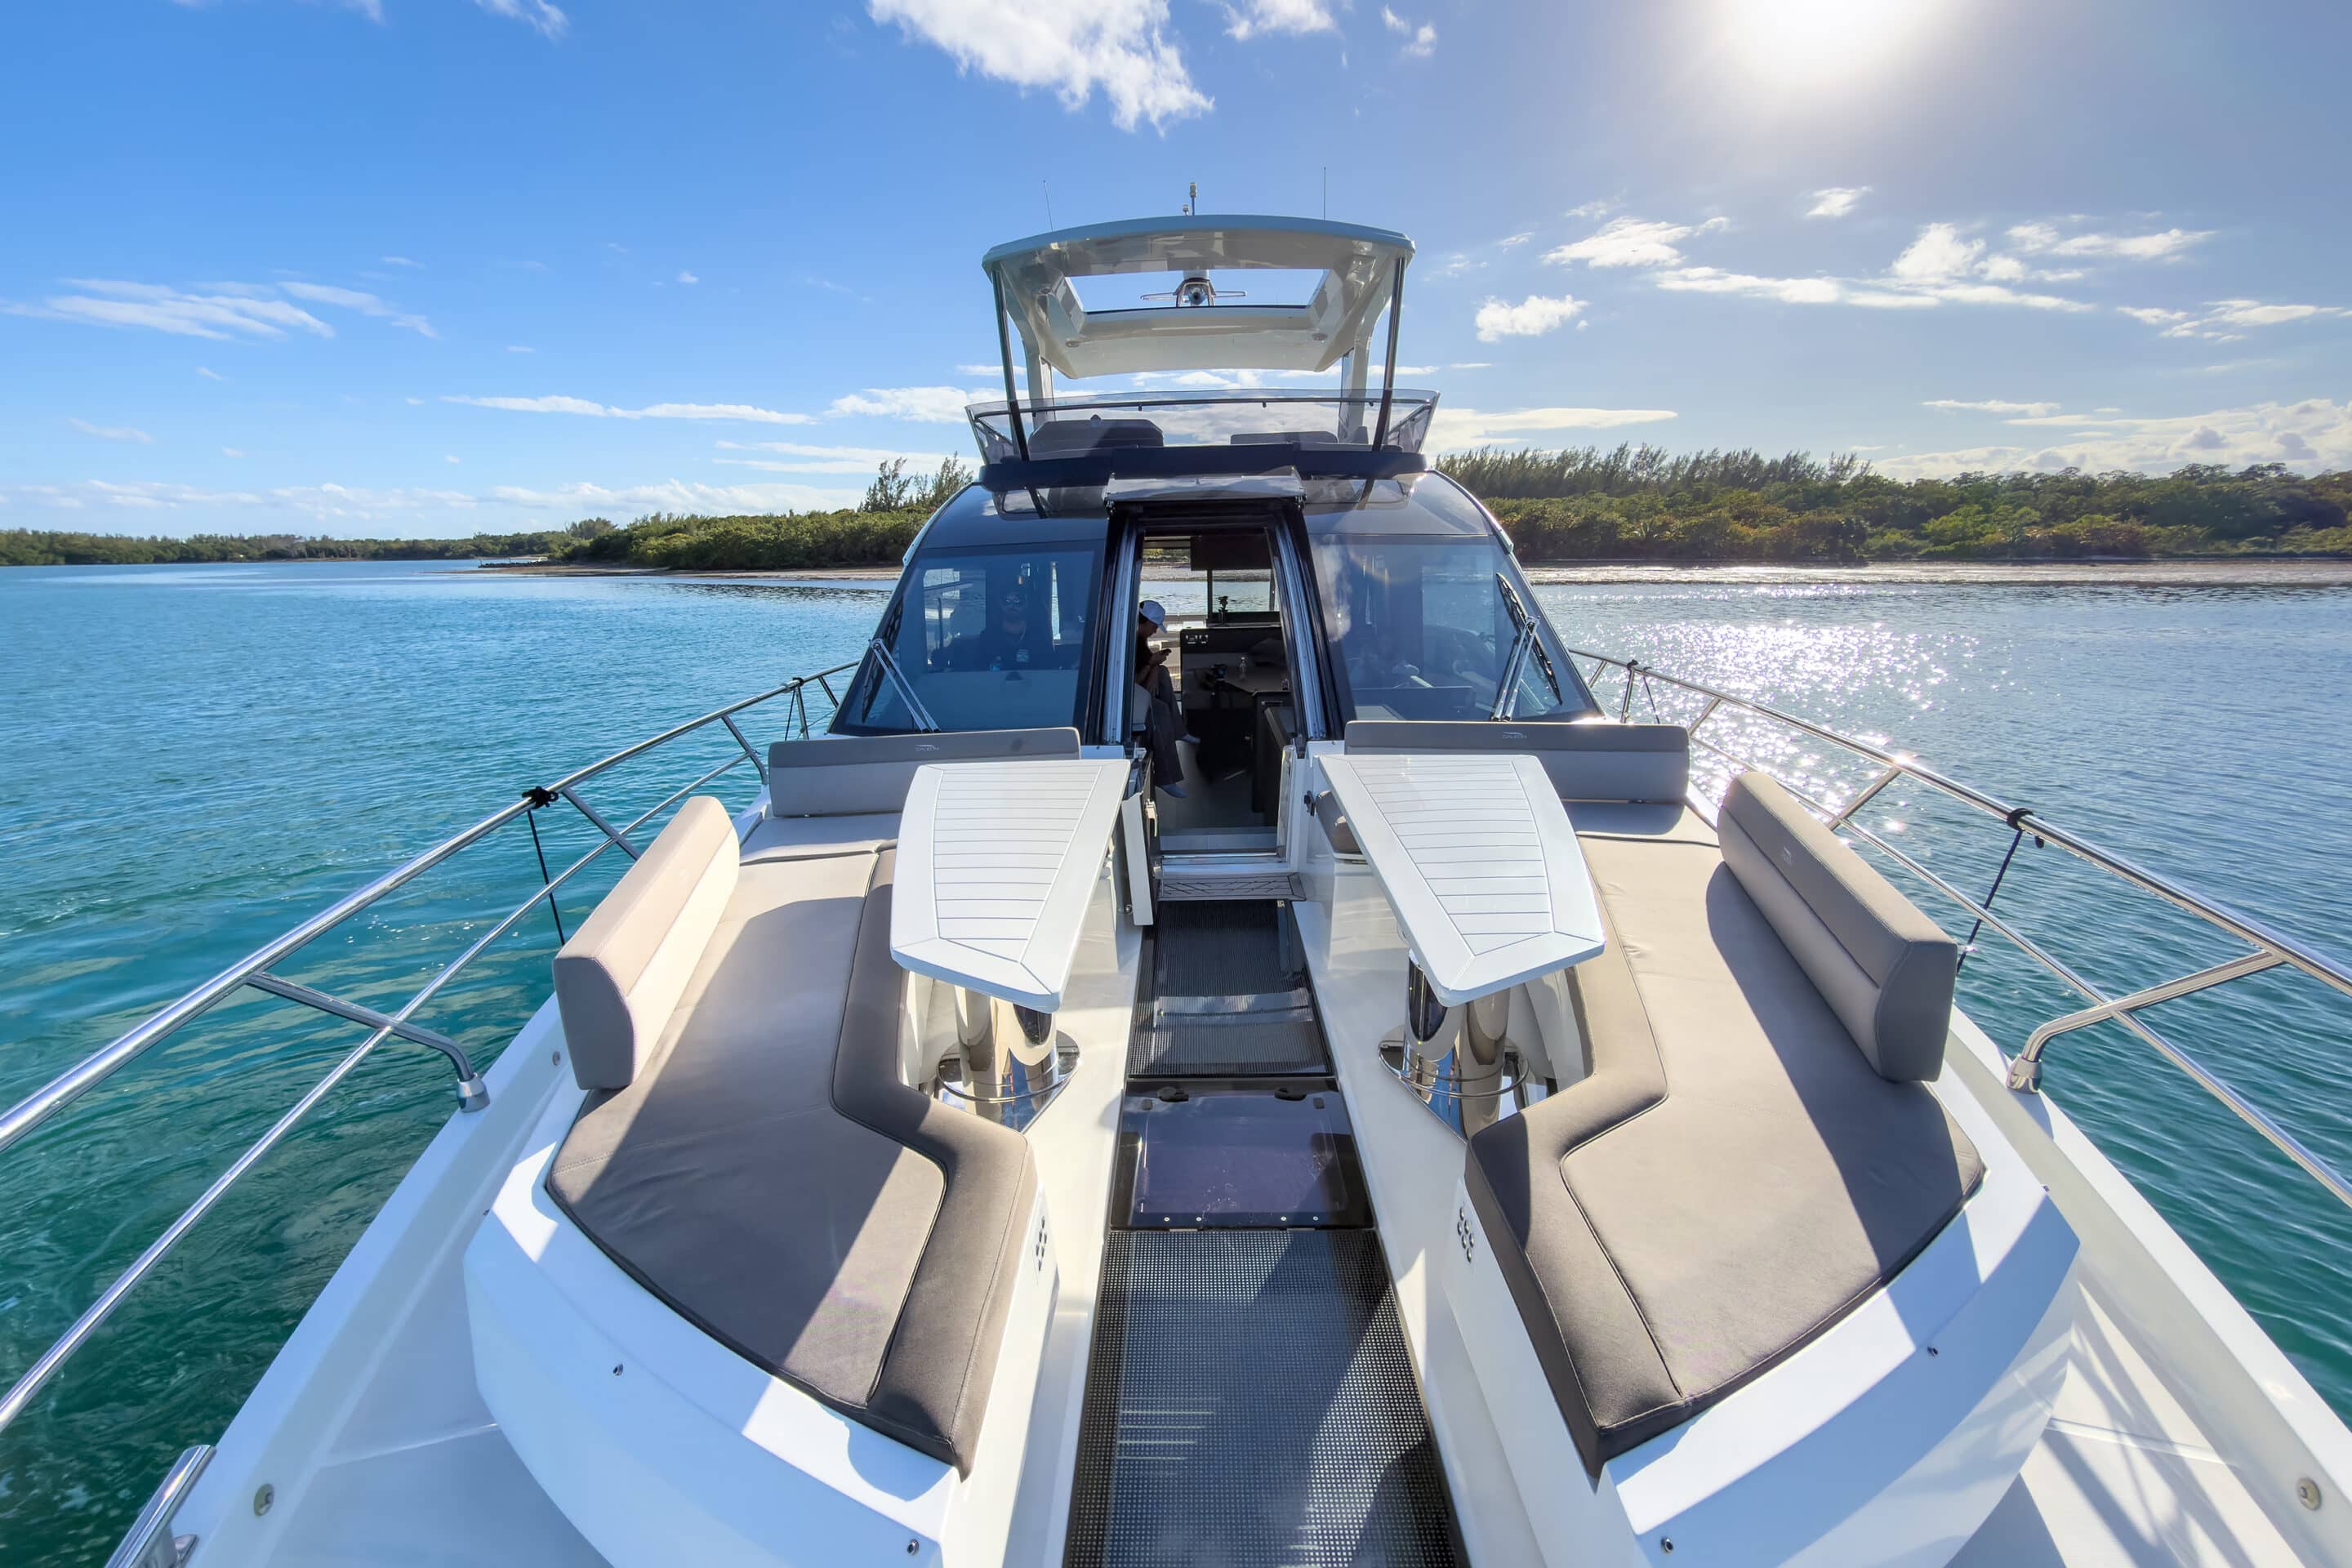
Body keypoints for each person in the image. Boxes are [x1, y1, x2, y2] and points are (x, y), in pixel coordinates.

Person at [1134, 599, 1189, 798]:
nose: (1155, 631)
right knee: (1160, 711)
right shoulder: (1129, 641)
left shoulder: (1140, 639)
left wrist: (1155, 666)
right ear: (1147, 622)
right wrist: (1151, 665)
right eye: (1155, 626)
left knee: (1164, 672)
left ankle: (1179, 731)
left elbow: (1148, 663)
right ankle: (1165, 779)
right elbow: (1133, 682)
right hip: (1131, 695)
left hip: (1140, 689)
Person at [945, 584, 1048, 672]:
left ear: (1026, 603)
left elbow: (1048, 671)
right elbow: (978, 672)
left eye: (1018, 601)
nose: (1012, 606)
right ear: (1000, 604)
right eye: (1006, 601)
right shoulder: (988, 638)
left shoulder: (1038, 639)